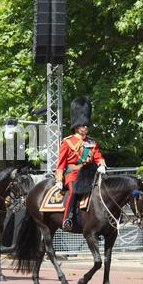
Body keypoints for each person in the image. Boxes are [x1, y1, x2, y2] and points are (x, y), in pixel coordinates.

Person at [55, 96, 106, 232]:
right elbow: (60, 163)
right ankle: (67, 219)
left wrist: (101, 164)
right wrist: (59, 179)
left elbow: (98, 156)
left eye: (86, 125)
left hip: (89, 174)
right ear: (77, 126)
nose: (85, 127)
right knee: (73, 191)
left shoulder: (91, 142)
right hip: (73, 175)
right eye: (83, 125)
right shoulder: (67, 142)